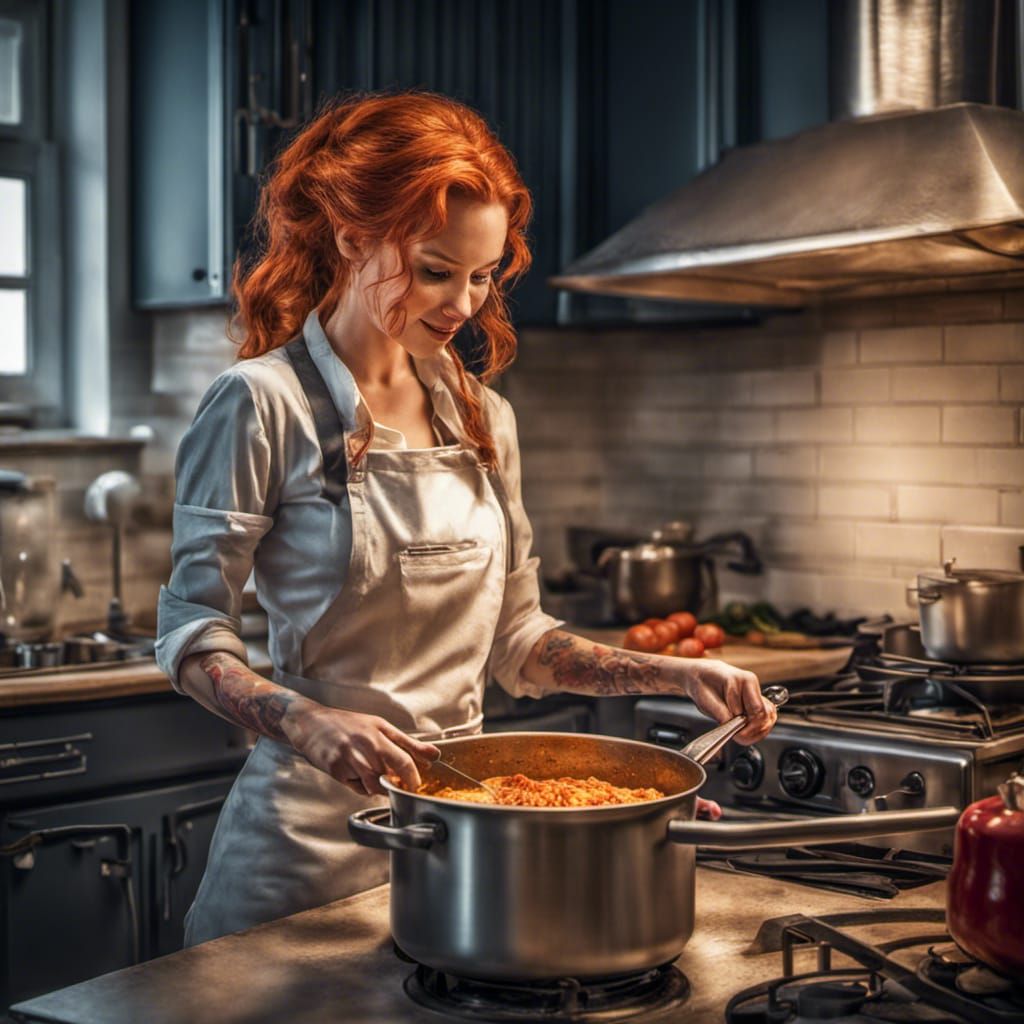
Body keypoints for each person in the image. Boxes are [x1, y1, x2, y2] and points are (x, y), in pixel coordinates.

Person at [155, 91, 778, 947]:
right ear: (351, 237)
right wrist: (304, 718)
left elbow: (520, 643)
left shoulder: (484, 416)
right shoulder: (260, 403)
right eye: (436, 270)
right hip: (303, 853)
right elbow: (189, 631)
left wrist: (672, 678)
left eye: (483, 276)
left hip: (463, 842)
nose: (462, 305)